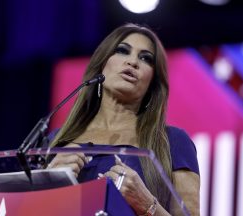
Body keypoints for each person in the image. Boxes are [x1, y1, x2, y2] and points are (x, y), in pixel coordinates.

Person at [47, 23, 200, 216]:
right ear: (101, 65)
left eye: (146, 58)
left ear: (152, 83)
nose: (133, 62)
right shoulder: (56, 140)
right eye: (122, 51)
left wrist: (147, 205)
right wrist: (51, 181)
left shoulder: (173, 141)